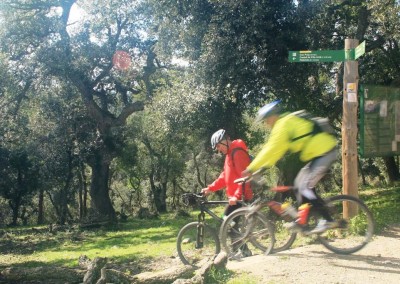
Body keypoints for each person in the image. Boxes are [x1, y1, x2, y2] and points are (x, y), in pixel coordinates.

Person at [244, 100, 338, 234]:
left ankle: (328, 219)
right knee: (299, 184)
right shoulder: (286, 122)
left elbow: (271, 149)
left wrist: (251, 168)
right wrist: (261, 168)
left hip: (325, 151)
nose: (266, 123)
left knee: (304, 186)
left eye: (266, 120)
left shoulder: (282, 124)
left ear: (273, 116)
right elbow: (276, 153)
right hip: (320, 152)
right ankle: (303, 220)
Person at [201, 129, 253, 257]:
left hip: (241, 196)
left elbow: (244, 177)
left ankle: (240, 251)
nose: (218, 149)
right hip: (235, 196)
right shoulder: (229, 154)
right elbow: (224, 177)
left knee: (228, 222)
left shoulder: (237, 153)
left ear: (225, 140)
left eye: (218, 146)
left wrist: (236, 196)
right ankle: (240, 250)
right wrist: (210, 188)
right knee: (228, 222)